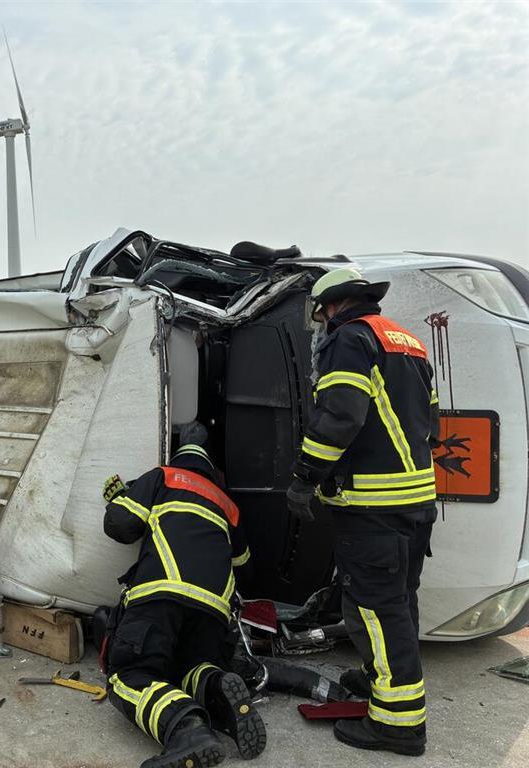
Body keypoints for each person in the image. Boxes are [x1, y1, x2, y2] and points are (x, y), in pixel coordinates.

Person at [287, 267, 437, 756]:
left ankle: (397, 726)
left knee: (377, 609)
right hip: (415, 501)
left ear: (330, 307)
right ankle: (382, 678)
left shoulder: (349, 340)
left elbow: (341, 417)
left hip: (373, 507)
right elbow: (431, 422)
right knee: (399, 601)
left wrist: (305, 477)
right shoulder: (408, 341)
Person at [102, 444, 266, 768]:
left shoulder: (163, 477)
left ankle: (186, 729)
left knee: (129, 675)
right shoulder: (227, 504)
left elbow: (120, 526)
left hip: (161, 594)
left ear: (177, 459)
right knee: (190, 669)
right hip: (213, 610)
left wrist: (120, 497)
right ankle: (218, 689)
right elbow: (246, 569)